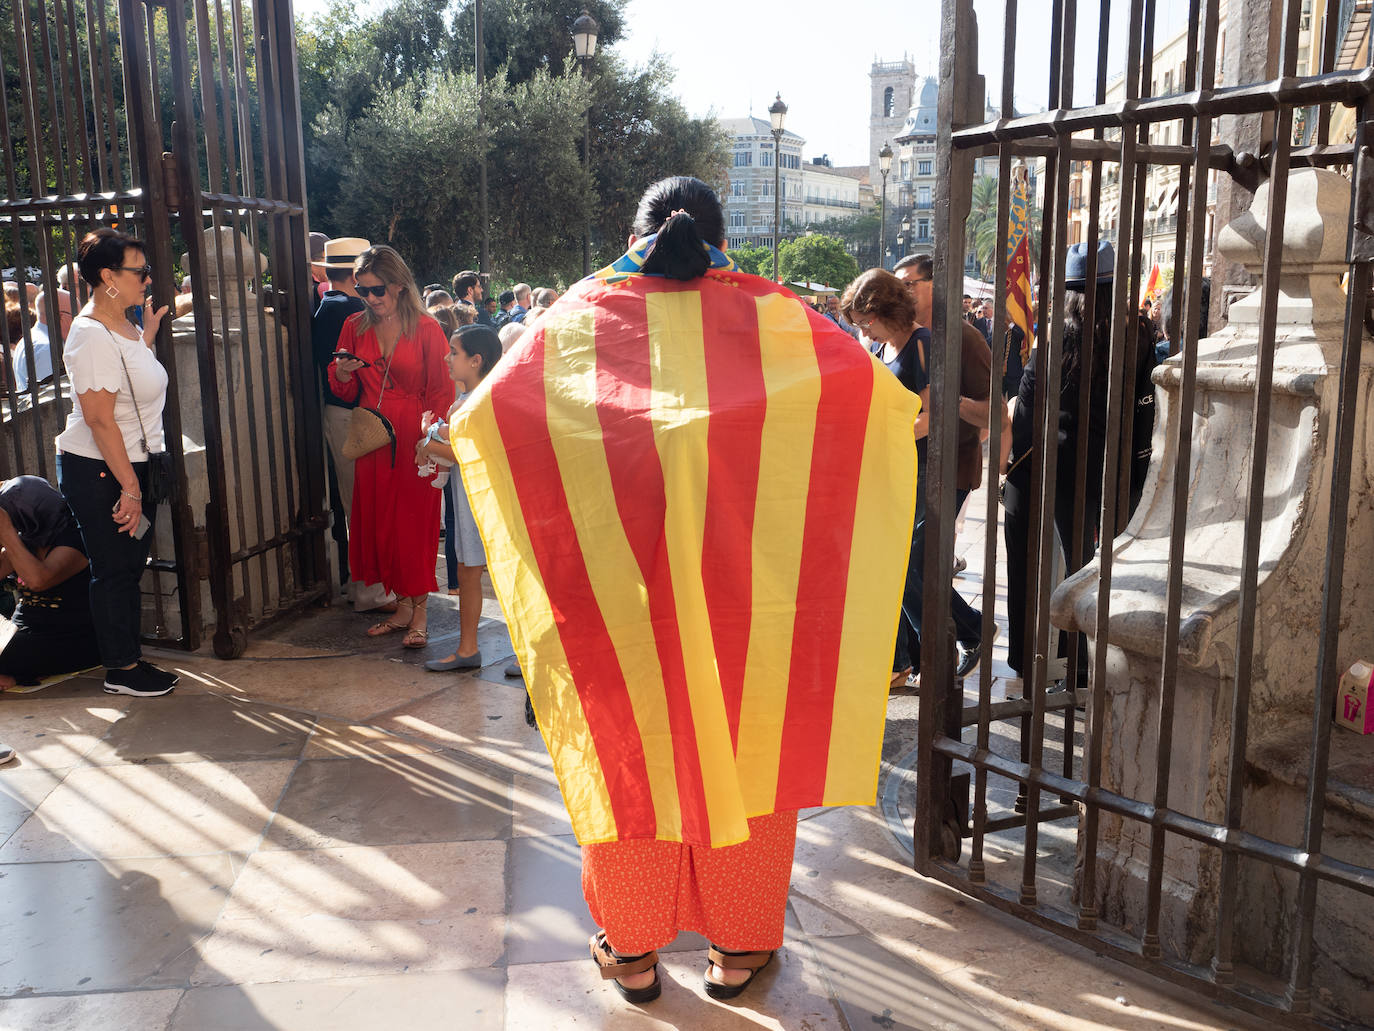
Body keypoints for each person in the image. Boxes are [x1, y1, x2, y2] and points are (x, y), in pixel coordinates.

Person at [451, 176, 918, 1004]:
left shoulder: (573, 324)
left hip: (618, 608)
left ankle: (631, 953)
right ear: (720, 239)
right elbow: (883, 405)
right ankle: (736, 949)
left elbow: (483, 418)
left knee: (627, 758)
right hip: (749, 611)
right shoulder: (782, 325)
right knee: (750, 755)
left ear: (637, 233)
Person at [1002, 241, 1157, 689]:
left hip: (1066, 467)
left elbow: (1029, 410)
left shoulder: (1057, 335)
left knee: (1077, 565)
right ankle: (1111, 657)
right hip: (1123, 466)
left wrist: (1021, 458)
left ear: (1068, 289)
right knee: (1114, 565)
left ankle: (1079, 665)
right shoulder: (1139, 333)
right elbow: (1148, 406)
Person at [54, 228, 177, 696]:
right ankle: (120, 669)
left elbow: (126, 384)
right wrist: (129, 485)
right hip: (103, 470)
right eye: (138, 271)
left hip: (130, 465)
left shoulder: (121, 326)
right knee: (114, 570)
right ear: (107, 276)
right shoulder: (90, 334)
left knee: (128, 565)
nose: (147, 279)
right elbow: (99, 420)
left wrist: (144, 339)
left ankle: (129, 661)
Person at [329, 245, 451, 648]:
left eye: (377, 290)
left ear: (399, 285)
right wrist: (343, 372)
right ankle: (400, 606)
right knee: (382, 523)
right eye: (362, 291)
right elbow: (340, 386)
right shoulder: (354, 326)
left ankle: (419, 613)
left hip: (415, 434)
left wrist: (430, 440)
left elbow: (440, 391)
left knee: (413, 527)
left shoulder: (428, 328)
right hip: (373, 434)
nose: (370, 299)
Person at [892, 255, 998, 676]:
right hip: (905, 467)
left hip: (949, 468)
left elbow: (995, 414)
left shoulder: (964, 338)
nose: (899, 293)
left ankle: (971, 631)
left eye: (908, 284)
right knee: (905, 563)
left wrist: (946, 405)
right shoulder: (898, 338)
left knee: (914, 565)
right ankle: (911, 660)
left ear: (935, 284)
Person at [311, 236, 393, 613]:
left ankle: (362, 584)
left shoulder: (330, 306)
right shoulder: (348, 312)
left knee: (356, 503)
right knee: (361, 504)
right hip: (352, 414)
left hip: (345, 413)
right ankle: (370, 590)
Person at [417, 324, 502, 672]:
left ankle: (481, 650)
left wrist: (425, 441)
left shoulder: (477, 403)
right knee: (468, 573)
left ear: (476, 360)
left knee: (481, 573)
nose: (447, 358)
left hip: (481, 499)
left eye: (455, 352)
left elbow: (464, 452)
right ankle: (468, 648)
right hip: (471, 499)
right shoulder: (473, 401)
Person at [0, 476, 102, 694]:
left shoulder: (76, 538)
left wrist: (8, 534)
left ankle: (17, 671)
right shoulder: (27, 536)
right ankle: (18, 671)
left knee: (13, 654)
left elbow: (38, 580)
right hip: (24, 630)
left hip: (70, 636)